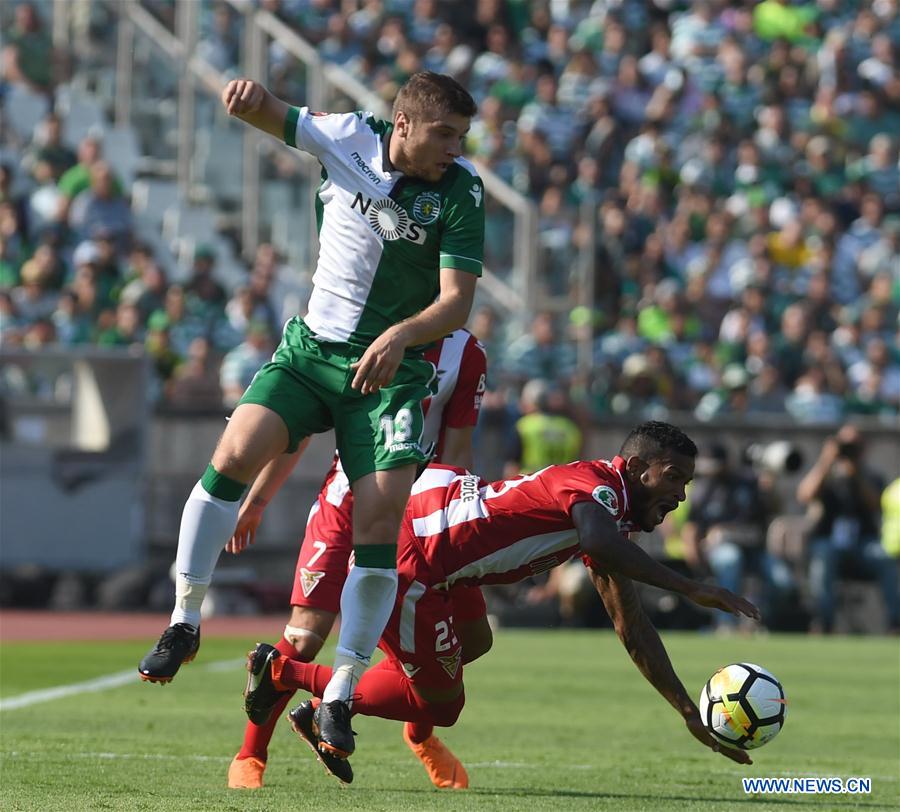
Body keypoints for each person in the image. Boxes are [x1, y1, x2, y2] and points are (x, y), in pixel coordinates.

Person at [138, 71, 483, 765]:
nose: (454, 148)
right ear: (404, 124)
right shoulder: (349, 135)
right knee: (234, 454)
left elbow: (456, 305)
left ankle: (341, 690)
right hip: (310, 352)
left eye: (460, 137)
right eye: (444, 133)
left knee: (381, 522)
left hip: (387, 375)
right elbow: (274, 114)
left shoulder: (461, 190)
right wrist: (244, 96)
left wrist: (397, 338)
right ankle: (184, 619)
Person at [242, 421, 760, 785]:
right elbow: (601, 543)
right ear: (637, 467)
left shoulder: (610, 516)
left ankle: (327, 705)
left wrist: (688, 711)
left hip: (442, 531)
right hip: (415, 559)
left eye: (687, 483)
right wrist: (692, 586)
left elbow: (631, 626)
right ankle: (283, 673)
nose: (681, 496)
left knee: (474, 640)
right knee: (443, 705)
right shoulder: (599, 491)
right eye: (673, 478)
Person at [228, 327, 487, 789]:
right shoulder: (355, 326)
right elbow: (299, 424)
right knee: (305, 634)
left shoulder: (465, 352)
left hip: (420, 507)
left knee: (466, 638)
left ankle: (419, 730)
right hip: (345, 498)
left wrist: (454, 525)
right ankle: (250, 755)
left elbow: (458, 451)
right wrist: (258, 499)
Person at [796, 424, 899, 633]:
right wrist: (826, 460)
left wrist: (857, 474)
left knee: (885, 558)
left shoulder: (871, 475)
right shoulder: (827, 475)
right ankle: (824, 622)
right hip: (829, 540)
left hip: (863, 543)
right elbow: (804, 495)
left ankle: (895, 623)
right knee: (824, 554)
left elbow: (876, 504)